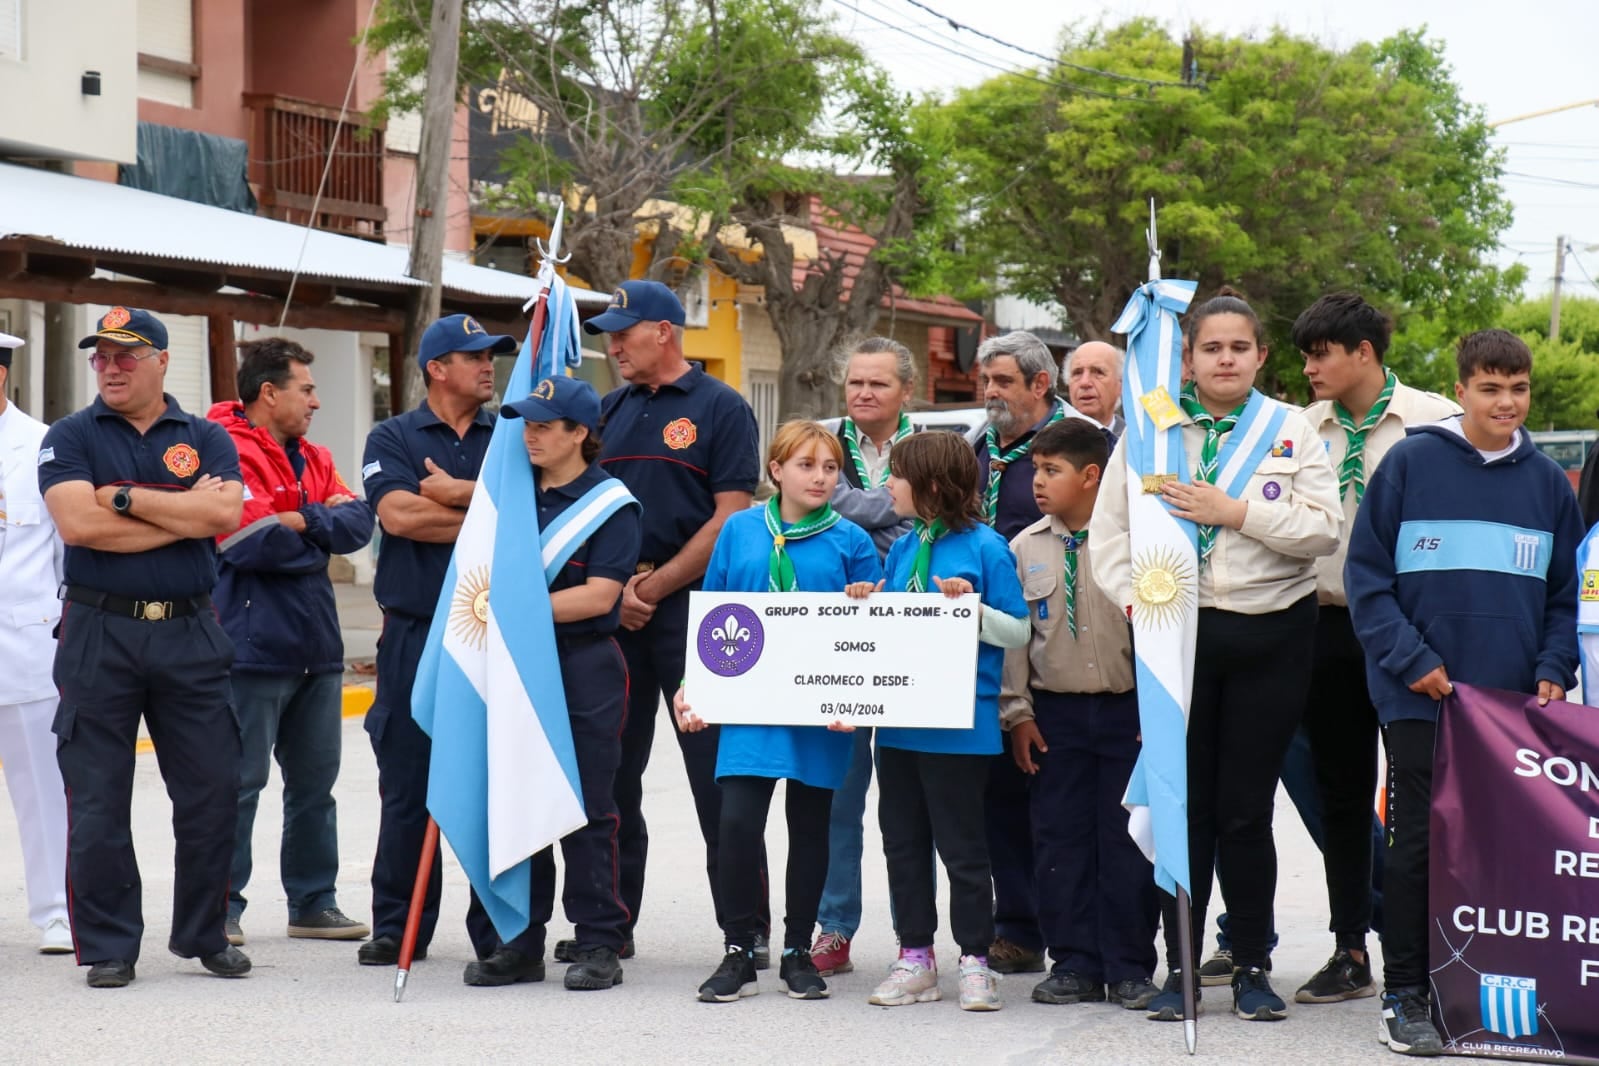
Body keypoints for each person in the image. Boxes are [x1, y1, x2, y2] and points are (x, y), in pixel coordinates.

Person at [1089, 289, 1342, 1022]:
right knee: (1182, 808)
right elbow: (1109, 536)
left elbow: (1322, 532)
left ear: (1260, 356)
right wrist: (1136, 599)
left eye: (1239, 347)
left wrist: (1237, 512)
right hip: (1178, 639)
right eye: (1210, 348)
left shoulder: (1288, 427)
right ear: (1188, 357)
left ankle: (1253, 964)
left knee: (1243, 811)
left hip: (1270, 634)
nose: (1225, 358)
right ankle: (1182, 969)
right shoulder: (1154, 432)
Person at [1345, 329, 1582, 1056]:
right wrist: (1408, 658)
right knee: (1418, 842)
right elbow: (1366, 581)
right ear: (1460, 391)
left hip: (1509, 710)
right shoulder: (1408, 464)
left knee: (1500, 847)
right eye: (1489, 388)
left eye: (1517, 389)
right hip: (1419, 695)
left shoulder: (1546, 482)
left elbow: (1563, 596)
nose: (1504, 402)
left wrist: (1552, 662)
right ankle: (1406, 994)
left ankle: (1490, 982)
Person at [38, 307, 248, 987]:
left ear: (161, 360)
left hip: (189, 629)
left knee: (213, 789)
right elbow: (77, 524)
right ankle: (107, 947)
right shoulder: (69, 436)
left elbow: (223, 514)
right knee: (97, 798)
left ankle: (204, 934)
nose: (111, 366)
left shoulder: (206, 436)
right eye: (100, 356)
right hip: (101, 629)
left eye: (126, 355)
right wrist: (180, 514)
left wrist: (123, 499)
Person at [1282, 293, 1458, 1005]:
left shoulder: (1435, 421)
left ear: (1364, 352)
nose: (1309, 367)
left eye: (1321, 353)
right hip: (1325, 625)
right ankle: (1350, 947)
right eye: (1303, 354)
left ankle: (1446, 950)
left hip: (1412, 634)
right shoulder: (1296, 429)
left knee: (1429, 797)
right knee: (1343, 793)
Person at [585, 280, 764, 964]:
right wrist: (618, 591)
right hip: (611, 610)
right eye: (608, 333)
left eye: (623, 332)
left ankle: (743, 933)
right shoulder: (608, 409)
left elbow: (728, 519)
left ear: (663, 330)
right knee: (610, 779)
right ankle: (611, 924)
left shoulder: (720, 407)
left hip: (693, 615)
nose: (613, 344)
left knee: (718, 781)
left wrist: (652, 587)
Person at [675, 421, 881, 1003]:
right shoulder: (740, 530)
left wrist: (865, 602)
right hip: (750, 704)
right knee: (737, 822)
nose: (820, 477)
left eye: (830, 467)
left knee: (811, 827)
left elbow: (873, 638)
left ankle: (797, 950)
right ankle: (739, 946)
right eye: (806, 465)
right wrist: (692, 687)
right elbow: (712, 617)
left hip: (821, 710)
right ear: (776, 471)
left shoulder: (851, 540)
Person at [461, 376, 641, 992]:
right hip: (509, 659)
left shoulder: (611, 503)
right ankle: (517, 941)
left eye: (543, 425)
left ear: (580, 433)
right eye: (526, 424)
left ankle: (598, 940)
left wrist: (509, 605)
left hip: (581, 663)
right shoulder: (511, 494)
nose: (529, 434)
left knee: (588, 806)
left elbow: (600, 596)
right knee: (515, 797)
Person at [358, 313, 517, 965]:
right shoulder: (392, 435)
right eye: (475, 356)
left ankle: (496, 931)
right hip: (416, 633)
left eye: (492, 357)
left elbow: (530, 516)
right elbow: (398, 515)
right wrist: (488, 510)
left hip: (494, 634)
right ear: (436, 367)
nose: (489, 367)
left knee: (493, 786)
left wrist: (456, 498)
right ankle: (398, 927)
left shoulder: (510, 436)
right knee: (406, 786)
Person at [854, 431, 1029, 1012]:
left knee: (962, 848)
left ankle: (976, 959)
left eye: (896, 476)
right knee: (902, 843)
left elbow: (1019, 631)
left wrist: (971, 610)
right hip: (899, 724)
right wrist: (868, 600)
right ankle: (915, 956)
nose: (886, 487)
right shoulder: (904, 548)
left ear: (930, 485)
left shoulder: (987, 547)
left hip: (960, 724)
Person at [209, 338, 375, 947]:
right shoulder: (220, 449)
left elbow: (360, 523)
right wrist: (317, 525)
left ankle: (313, 903)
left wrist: (299, 518)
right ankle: (221, 908)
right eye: (306, 388)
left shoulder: (316, 455)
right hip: (250, 648)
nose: (317, 400)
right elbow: (243, 539)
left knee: (314, 788)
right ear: (269, 392)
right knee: (239, 784)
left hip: (316, 648)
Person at [1001, 419, 1158, 1010]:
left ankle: (1129, 965)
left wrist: (1156, 712)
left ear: (1093, 476)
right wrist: (1017, 715)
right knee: (1059, 841)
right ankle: (1073, 961)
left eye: (1051, 470)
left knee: (1125, 843)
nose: (1036, 482)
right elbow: (1017, 641)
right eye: (1034, 469)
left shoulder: (1137, 544)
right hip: (1056, 718)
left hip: (1128, 716)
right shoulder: (1025, 547)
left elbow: (1159, 632)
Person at [973, 330, 1084, 975]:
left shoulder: (1083, 443)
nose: (990, 393)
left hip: (1065, 634)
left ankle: (1076, 929)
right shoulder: (976, 449)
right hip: (993, 638)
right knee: (1001, 792)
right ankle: (1016, 925)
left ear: (1042, 384)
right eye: (986, 381)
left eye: (1004, 382)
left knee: (1062, 793)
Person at [809, 336, 917, 977]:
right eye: (855, 383)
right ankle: (834, 927)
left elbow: (928, 519)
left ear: (906, 390)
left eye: (878, 384)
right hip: (836, 638)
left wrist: (847, 508)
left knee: (911, 801)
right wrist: (889, 510)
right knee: (838, 796)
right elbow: (805, 504)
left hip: (910, 636)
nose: (864, 394)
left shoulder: (937, 447)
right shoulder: (819, 442)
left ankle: (915, 935)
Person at [0, 330, 71, 956]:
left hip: (24, 644)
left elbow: (63, 549)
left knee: (42, 785)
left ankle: (55, 910)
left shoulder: (43, 444)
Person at [1065, 341, 1126, 437]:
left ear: (1120, 385)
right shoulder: (1047, 441)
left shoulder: (1137, 444)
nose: (1084, 383)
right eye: (1077, 373)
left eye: (1098, 372)